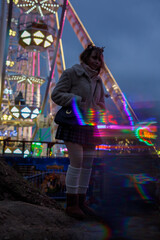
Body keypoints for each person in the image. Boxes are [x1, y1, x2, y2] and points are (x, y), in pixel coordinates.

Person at [51, 44, 106, 220]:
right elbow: (56, 94)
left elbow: (101, 104)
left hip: (89, 124)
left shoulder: (98, 81)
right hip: (73, 122)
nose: (97, 62)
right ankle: (71, 204)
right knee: (77, 160)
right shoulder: (72, 73)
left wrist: (99, 109)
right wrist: (76, 100)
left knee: (88, 163)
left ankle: (82, 202)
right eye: (94, 58)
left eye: (99, 59)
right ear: (85, 58)